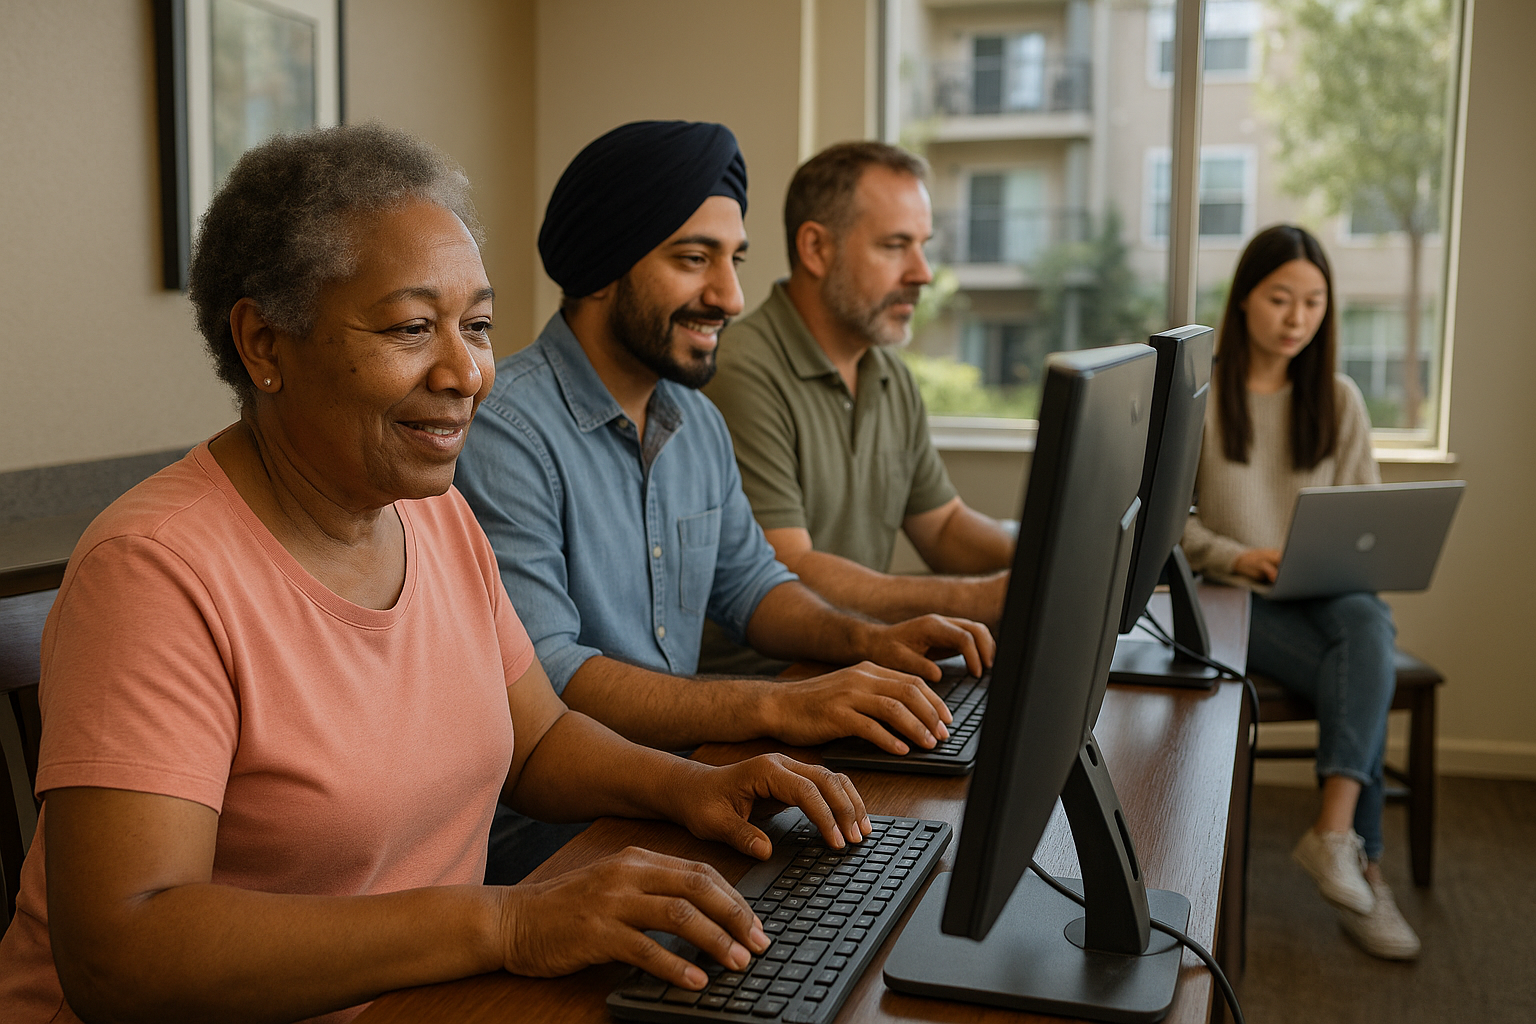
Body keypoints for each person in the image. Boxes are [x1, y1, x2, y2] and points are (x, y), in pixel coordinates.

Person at [0, 125, 877, 1024]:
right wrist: (508, 922)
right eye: (412, 328)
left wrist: (695, 789)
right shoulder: (154, 571)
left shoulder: (432, 512)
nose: (467, 373)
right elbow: (123, 952)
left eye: (479, 326)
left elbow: (537, 741)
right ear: (264, 344)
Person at [454, 122, 994, 882]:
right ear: (603, 267)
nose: (729, 296)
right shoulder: (504, 431)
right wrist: (778, 706)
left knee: (887, 870)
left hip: (692, 784)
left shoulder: (695, 420)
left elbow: (753, 585)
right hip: (560, 838)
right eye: (693, 258)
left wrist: (869, 641)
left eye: (733, 260)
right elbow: (555, 674)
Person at [1182, 223, 1419, 960]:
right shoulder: (1200, 394)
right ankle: (1364, 869)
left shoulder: (1338, 400)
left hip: (1322, 593)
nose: (1297, 318)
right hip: (1232, 596)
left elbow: (1364, 519)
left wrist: (1327, 558)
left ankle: (1333, 833)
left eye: (1313, 302)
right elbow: (1168, 526)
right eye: (1280, 298)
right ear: (1244, 300)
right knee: (1365, 677)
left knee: (1368, 623)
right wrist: (1241, 554)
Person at [698, 142, 1015, 676]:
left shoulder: (888, 373)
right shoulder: (739, 370)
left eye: (922, 246)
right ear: (816, 248)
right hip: (766, 682)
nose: (922, 272)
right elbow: (789, 566)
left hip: (860, 664)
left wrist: (1044, 557)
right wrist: (984, 599)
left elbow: (943, 526)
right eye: (895, 246)